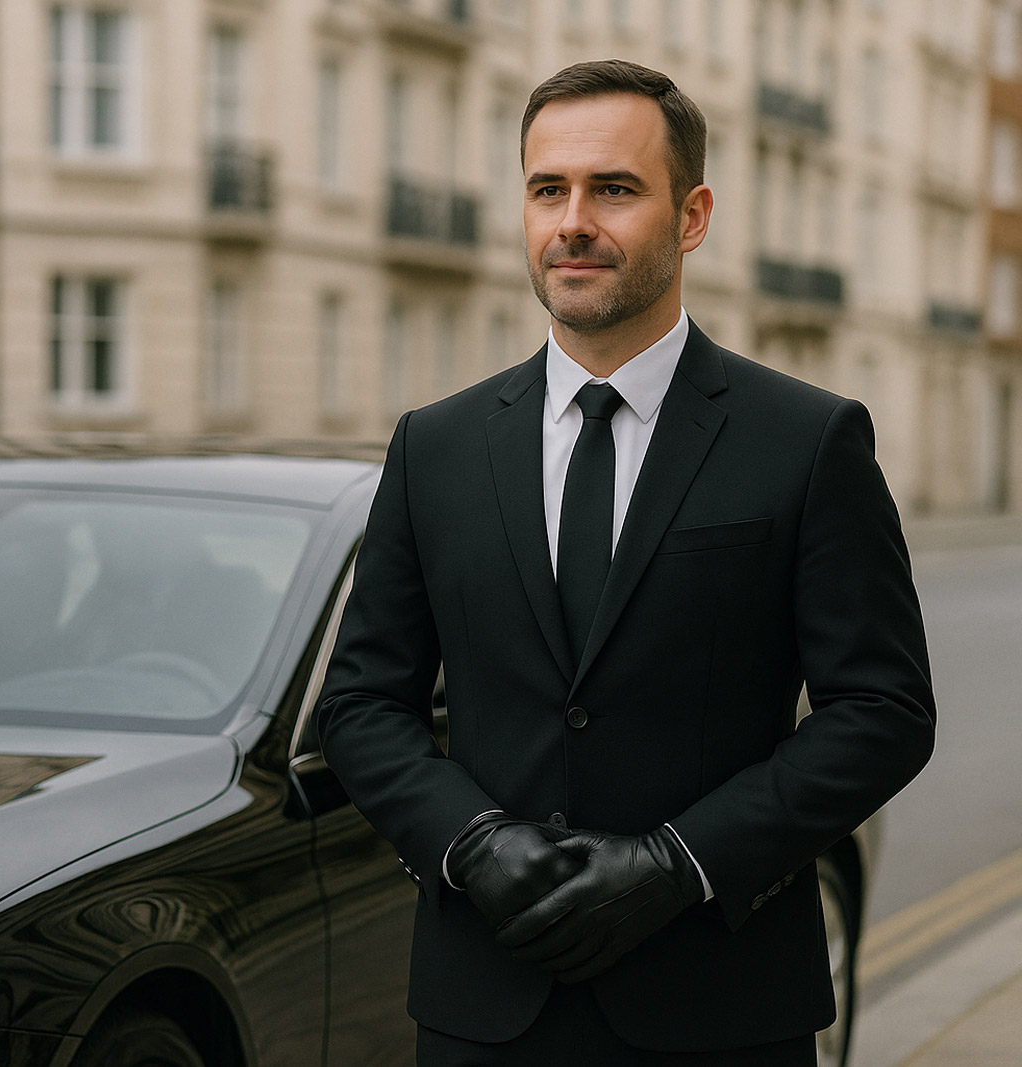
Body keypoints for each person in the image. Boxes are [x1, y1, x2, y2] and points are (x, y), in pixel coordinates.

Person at [317, 59, 935, 1066]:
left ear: (690, 216)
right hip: (484, 1004)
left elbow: (884, 710)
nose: (572, 221)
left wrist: (679, 861)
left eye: (612, 188)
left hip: (718, 1005)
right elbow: (359, 703)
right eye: (546, 189)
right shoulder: (435, 446)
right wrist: (472, 842)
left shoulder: (807, 439)